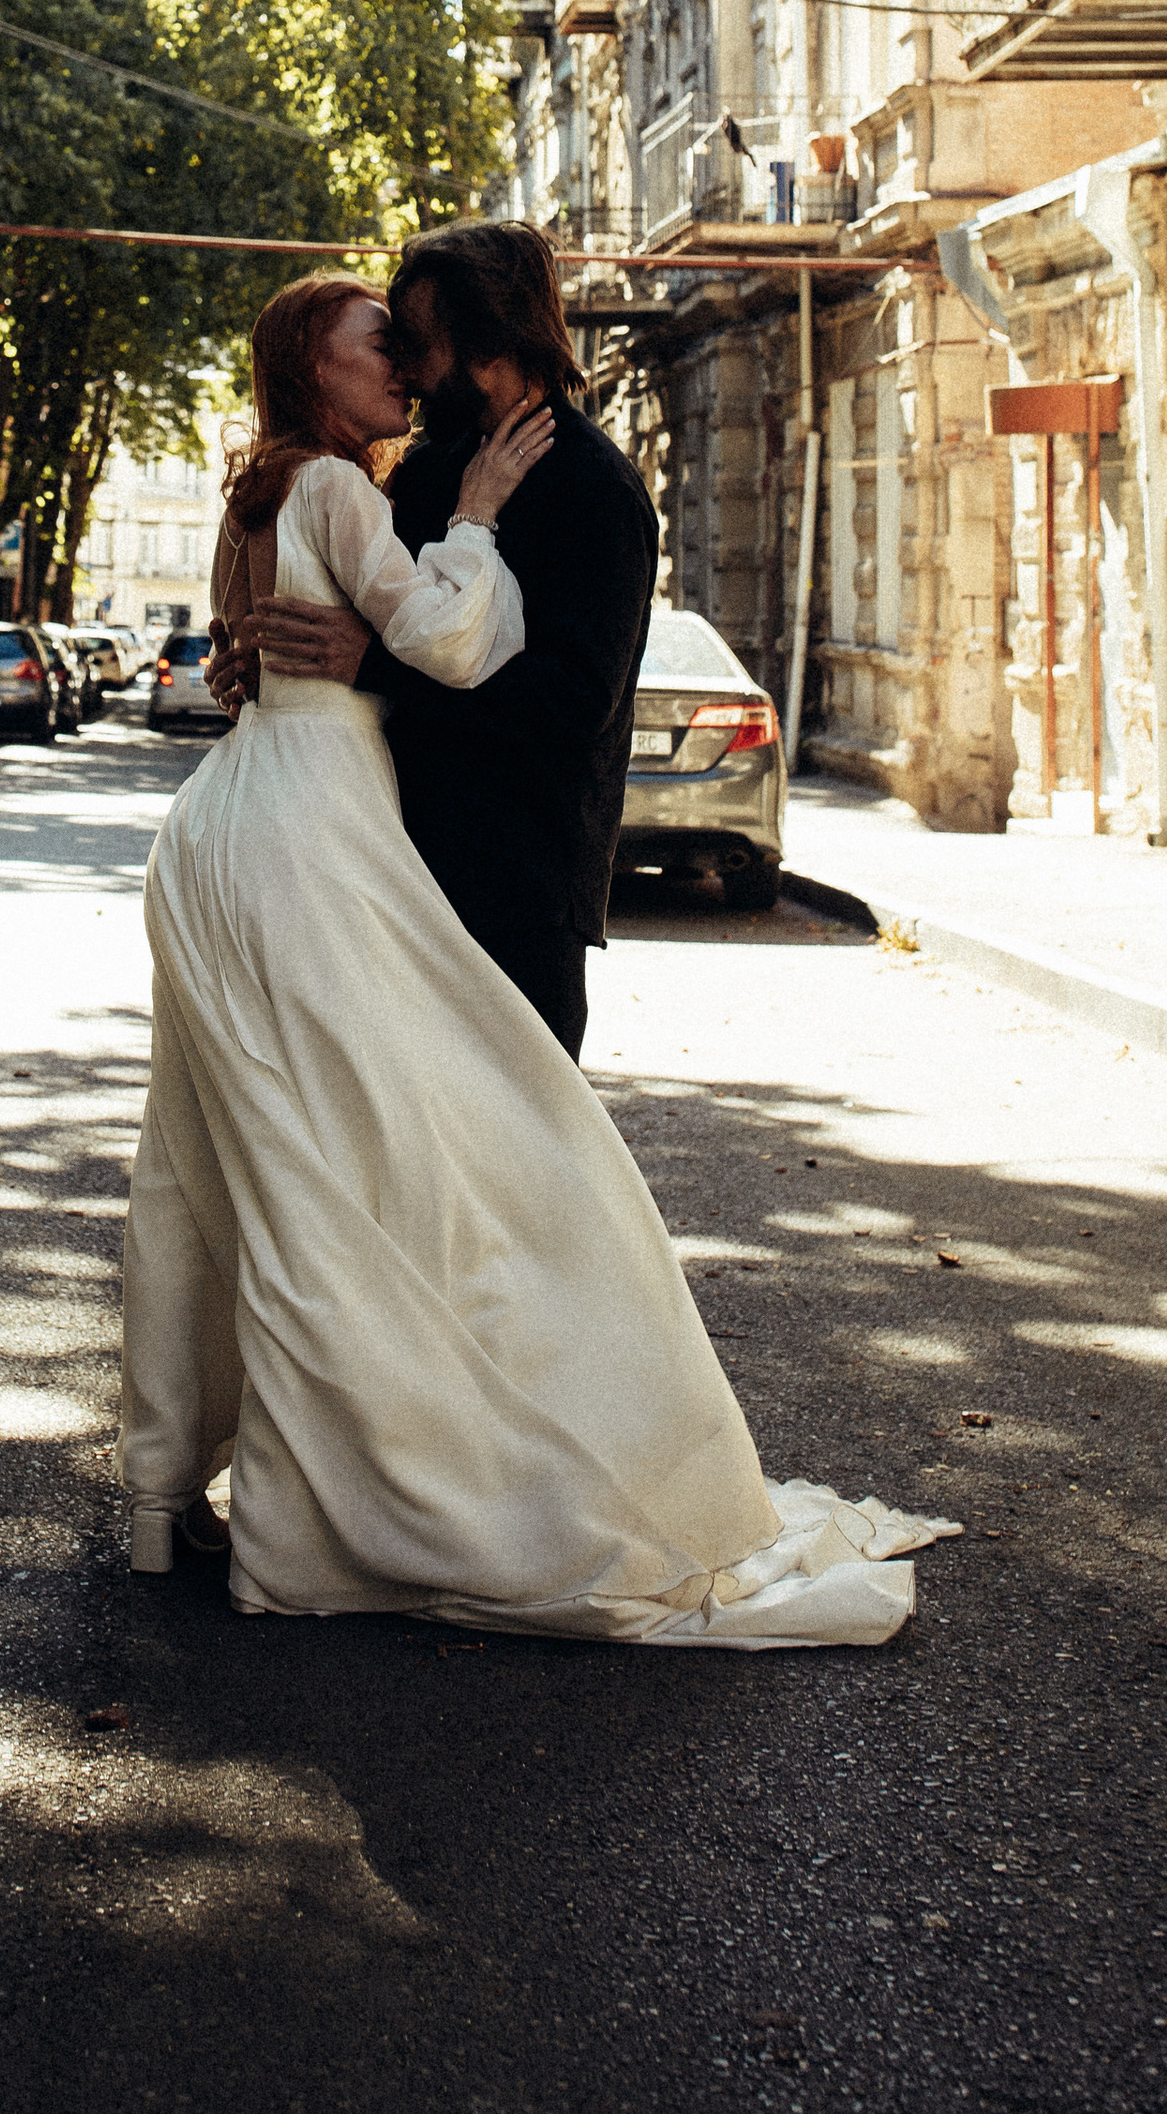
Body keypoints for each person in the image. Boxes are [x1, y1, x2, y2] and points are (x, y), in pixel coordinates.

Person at [120, 265, 955, 1645]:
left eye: (413, 332)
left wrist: (348, 643)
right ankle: (410, 1490)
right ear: (314, 373)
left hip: (333, 845)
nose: (401, 358)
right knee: (389, 1172)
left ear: (476, 330)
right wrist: (468, 530)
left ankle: (190, 1489)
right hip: (331, 848)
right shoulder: (400, 474)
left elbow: (552, 693)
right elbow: (448, 636)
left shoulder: (566, 488)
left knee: (252, 1163)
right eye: (374, 340)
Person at [237, 220, 649, 1059]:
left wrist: (370, 666)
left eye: (417, 343)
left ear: (482, 339)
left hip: (521, 880)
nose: (409, 373)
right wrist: (254, 654)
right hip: (395, 868)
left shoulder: (594, 487)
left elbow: (574, 703)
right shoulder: (423, 472)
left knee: (522, 1149)